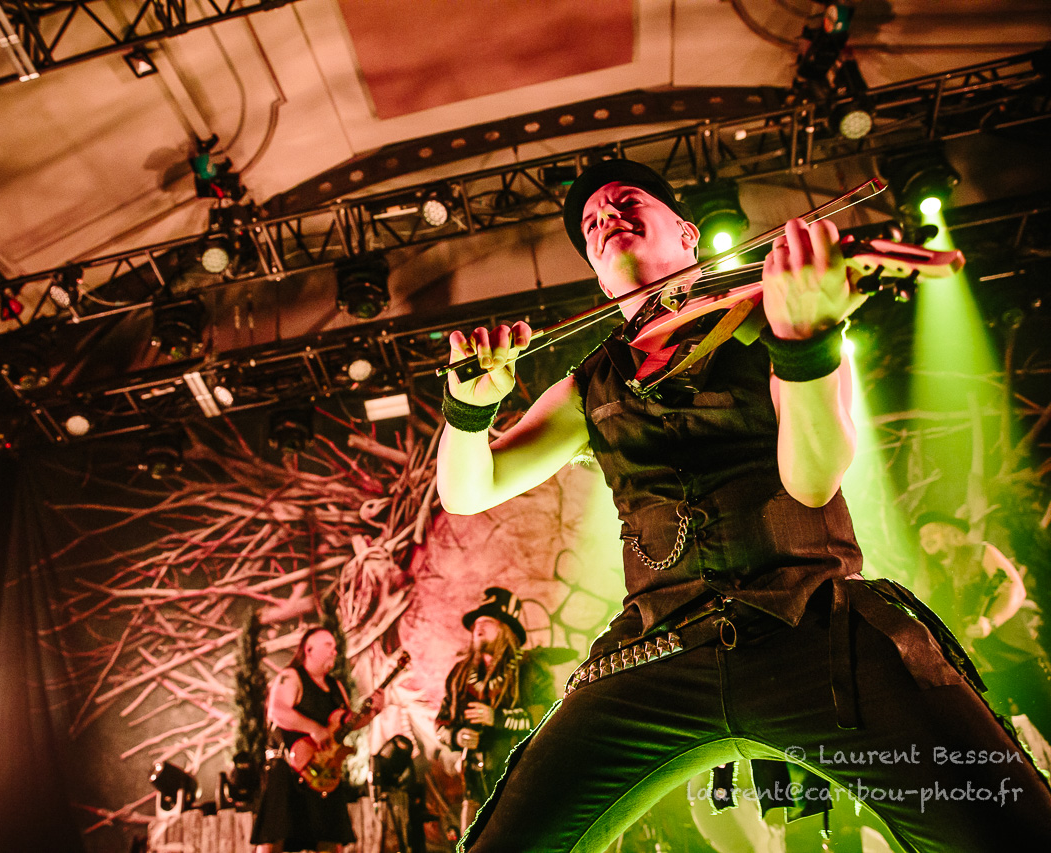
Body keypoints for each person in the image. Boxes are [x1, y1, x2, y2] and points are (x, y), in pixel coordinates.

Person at [434, 158, 1051, 852]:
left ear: (688, 235)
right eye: (592, 222)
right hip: (655, 648)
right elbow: (468, 490)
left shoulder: (772, 315)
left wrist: (804, 343)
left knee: (1011, 829)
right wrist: (467, 410)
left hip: (813, 629)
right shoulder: (588, 386)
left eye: (627, 201)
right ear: (600, 280)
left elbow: (813, 480)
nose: (606, 216)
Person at [249, 626, 385, 853]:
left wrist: (371, 713)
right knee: (275, 837)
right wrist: (313, 729)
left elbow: (346, 723)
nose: (334, 651)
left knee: (330, 839)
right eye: (328, 645)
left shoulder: (335, 686)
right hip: (288, 769)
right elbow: (277, 711)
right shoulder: (291, 677)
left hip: (324, 772)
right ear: (309, 649)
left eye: (335, 647)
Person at [915, 511, 1051, 736]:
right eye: (922, 536)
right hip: (981, 674)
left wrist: (991, 622)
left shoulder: (980, 553)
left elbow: (1015, 589)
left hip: (1017, 659)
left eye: (931, 531)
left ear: (950, 532)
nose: (925, 538)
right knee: (1000, 741)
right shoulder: (933, 580)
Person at [435, 587, 553, 833]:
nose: (478, 628)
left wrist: (496, 718)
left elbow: (548, 718)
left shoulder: (529, 670)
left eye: (486, 622)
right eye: (475, 624)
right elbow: (441, 725)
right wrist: (457, 736)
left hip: (518, 785)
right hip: (473, 789)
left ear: (505, 629)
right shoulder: (459, 675)